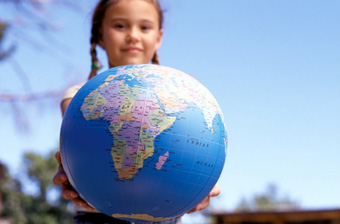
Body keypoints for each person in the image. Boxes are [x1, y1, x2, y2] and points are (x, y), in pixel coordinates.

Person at [53, 0, 221, 223]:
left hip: (163, 217)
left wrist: (203, 177)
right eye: (120, 26)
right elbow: (79, 145)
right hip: (97, 216)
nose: (133, 35)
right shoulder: (80, 98)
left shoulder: (183, 99)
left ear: (159, 37)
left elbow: (197, 149)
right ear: (100, 36)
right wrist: (69, 173)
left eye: (144, 27)